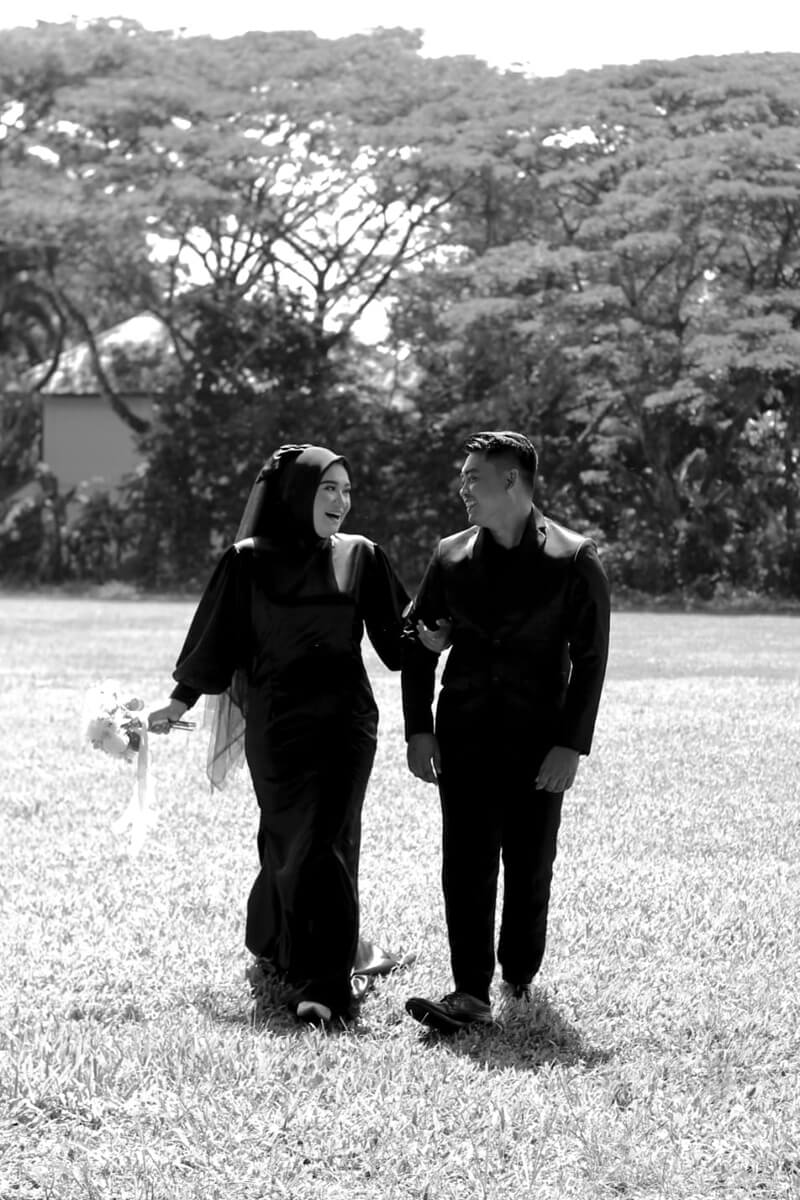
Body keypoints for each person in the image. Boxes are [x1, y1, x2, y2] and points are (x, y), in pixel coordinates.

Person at [148, 444, 422, 1027]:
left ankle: (325, 985)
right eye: (329, 488)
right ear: (297, 494)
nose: (342, 501)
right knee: (288, 839)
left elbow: (397, 647)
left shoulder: (362, 556)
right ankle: (280, 942)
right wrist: (177, 702)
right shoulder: (246, 561)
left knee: (328, 840)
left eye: (347, 490)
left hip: (346, 724)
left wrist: (435, 631)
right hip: (276, 727)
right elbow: (217, 642)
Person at [401, 430, 610, 1033]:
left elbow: (591, 659)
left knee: (530, 864)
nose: (463, 489)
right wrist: (419, 729)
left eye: (473, 477)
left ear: (511, 480)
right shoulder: (449, 555)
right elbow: (417, 639)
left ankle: (517, 971)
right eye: (463, 478)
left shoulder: (574, 558)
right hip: (463, 738)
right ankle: (469, 993)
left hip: (539, 744)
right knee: (464, 866)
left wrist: (570, 745)